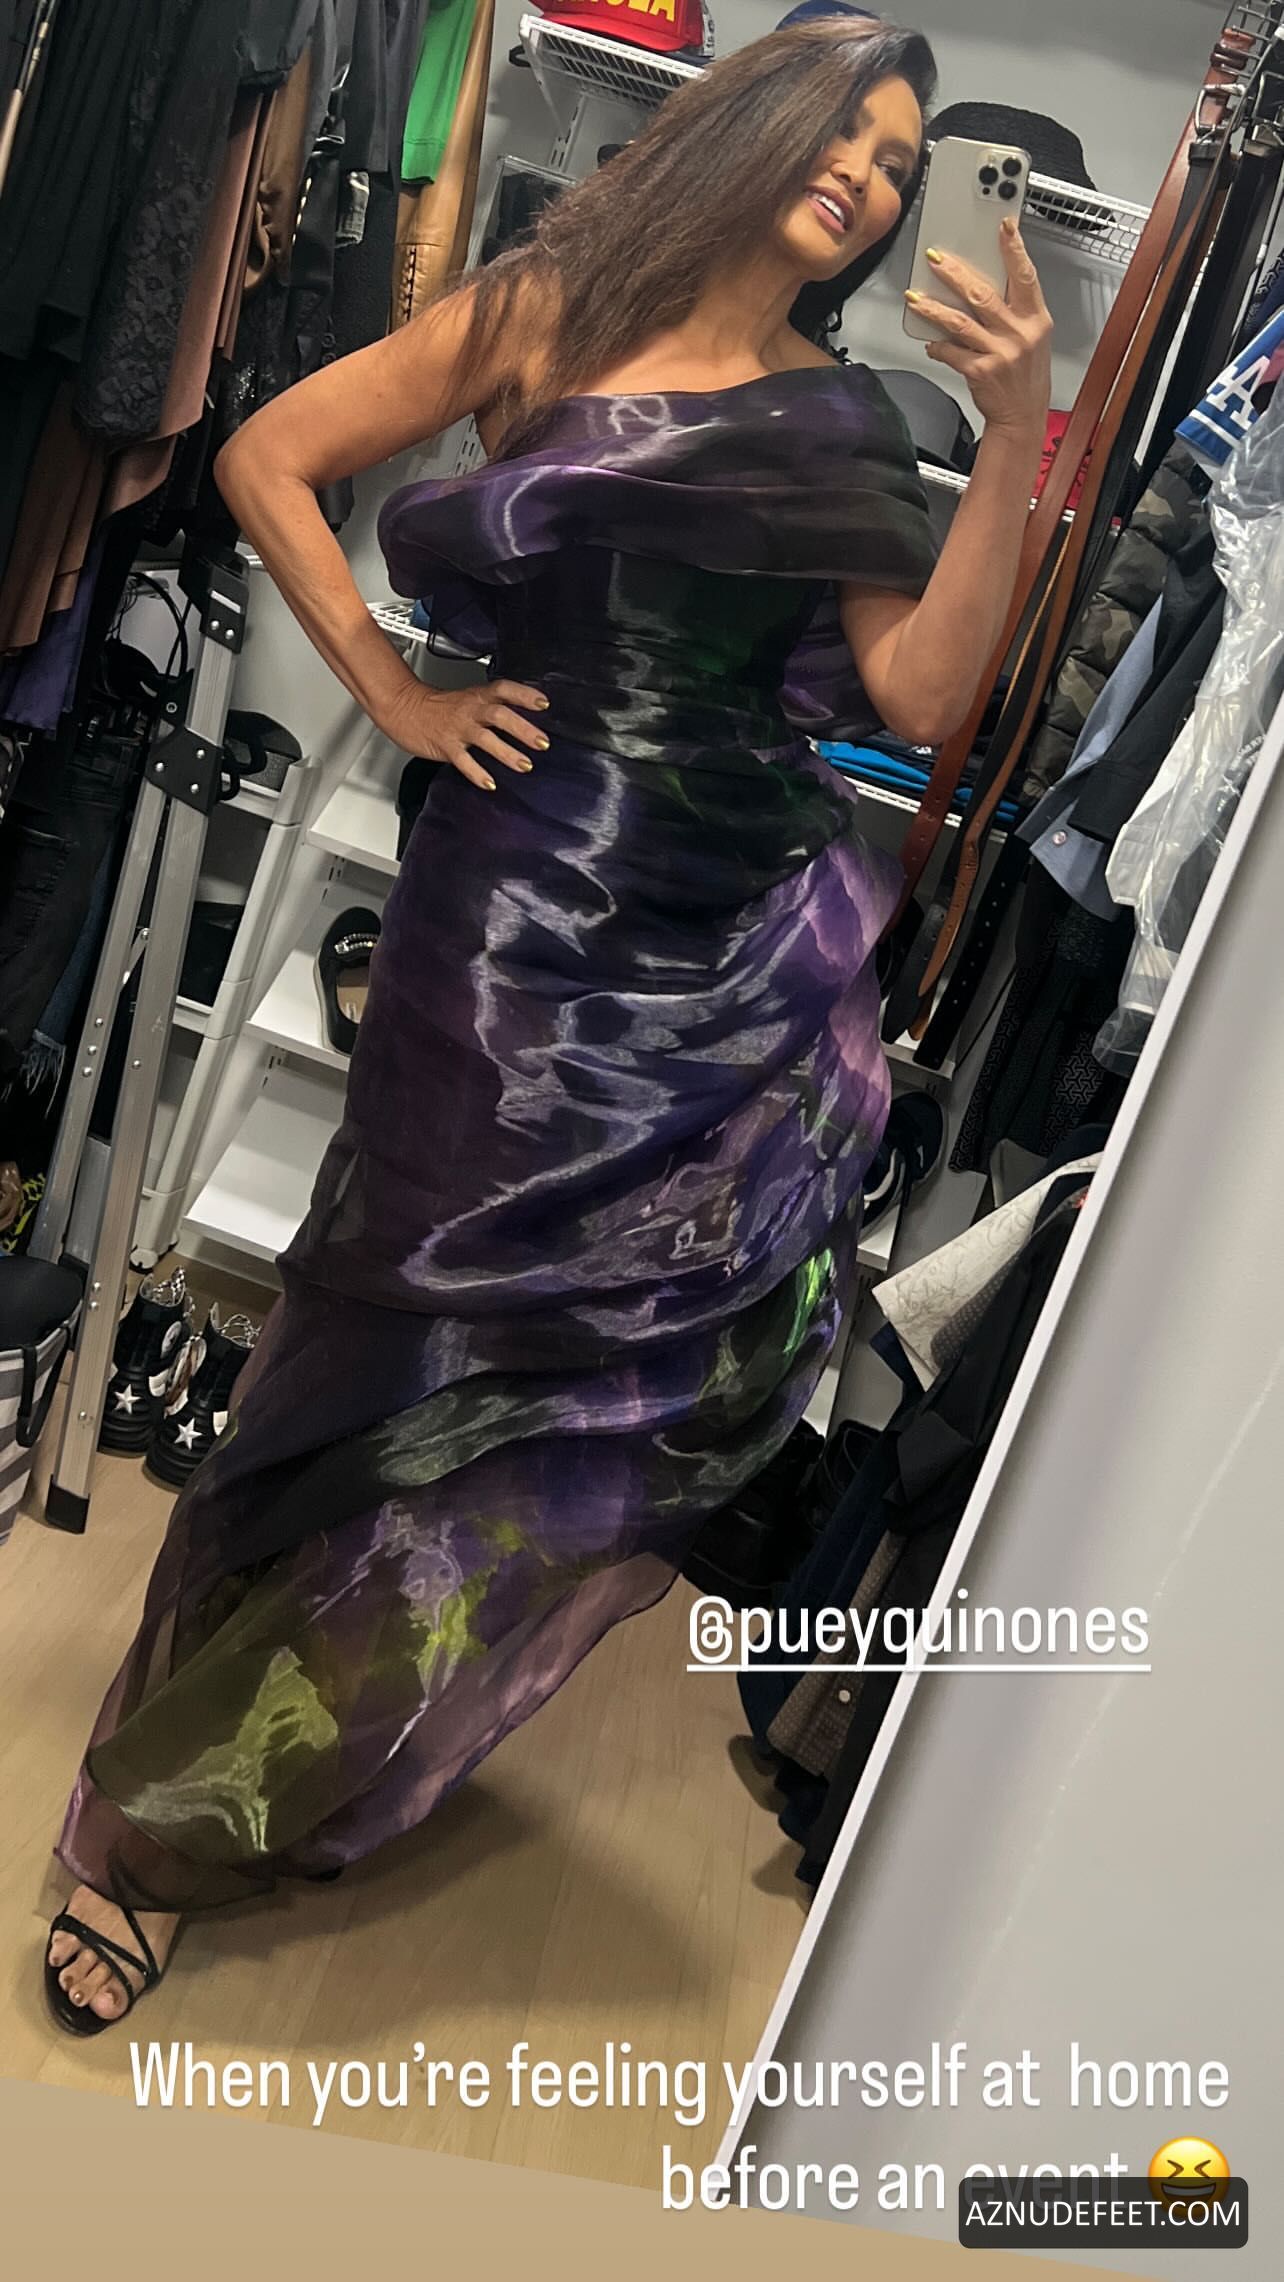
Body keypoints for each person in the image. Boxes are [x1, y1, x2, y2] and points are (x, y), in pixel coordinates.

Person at [44, 16, 1051, 2031]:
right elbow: (262, 455)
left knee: (579, 1399)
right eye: (847, 128)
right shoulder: (544, 305)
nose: (869, 172)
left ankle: (308, 1742)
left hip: (723, 945)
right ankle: (148, 1820)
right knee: (375, 1341)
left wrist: (1016, 432)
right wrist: (396, 696)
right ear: (757, 121)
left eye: (898, 158)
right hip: (504, 929)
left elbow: (927, 701)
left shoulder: (850, 421)